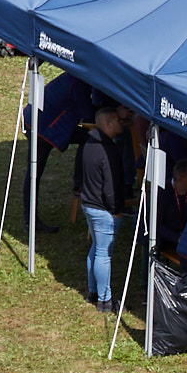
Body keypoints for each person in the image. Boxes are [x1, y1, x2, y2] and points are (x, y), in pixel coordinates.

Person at [73, 102, 130, 308]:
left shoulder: (88, 144)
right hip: (103, 209)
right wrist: (116, 211)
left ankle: (93, 292)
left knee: (96, 249)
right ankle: (105, 300)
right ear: (108, 124)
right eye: (118, 120)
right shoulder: (108, 151)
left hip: (89, 203)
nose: (121, 123)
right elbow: (111, 186)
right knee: (103, 254)